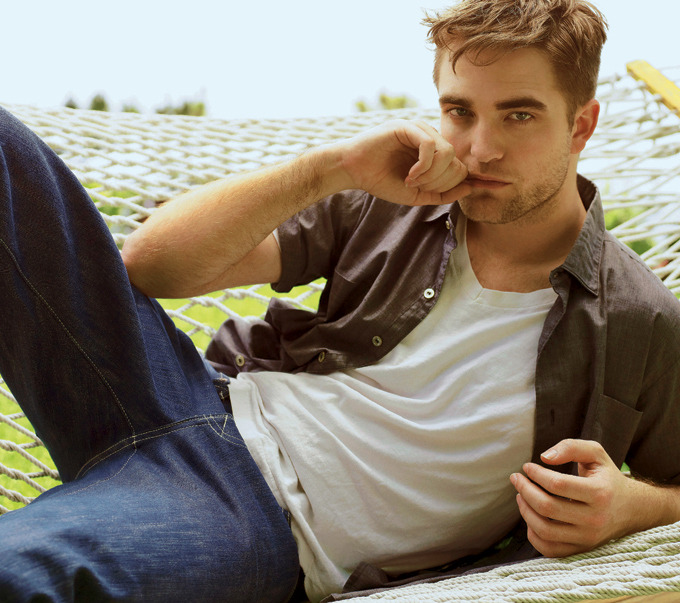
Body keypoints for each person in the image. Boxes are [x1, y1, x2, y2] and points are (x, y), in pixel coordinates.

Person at [1, 1, 679, 602]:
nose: (480, 149)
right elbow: (150, 265)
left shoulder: (638, 319)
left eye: (519, 115)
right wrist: (333, 169)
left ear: (582, 125)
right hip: (188, 394)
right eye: (460, 111)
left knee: (23, 571)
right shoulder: (393, 202)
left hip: (254, 515)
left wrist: (633, 506)